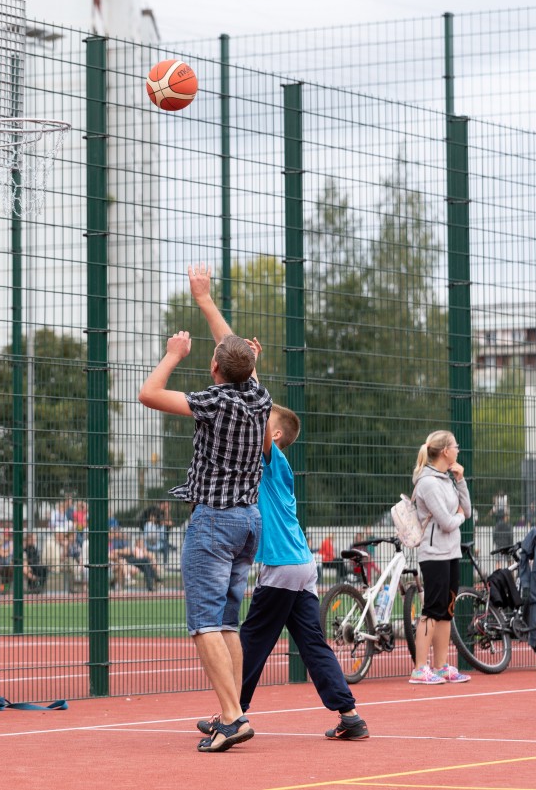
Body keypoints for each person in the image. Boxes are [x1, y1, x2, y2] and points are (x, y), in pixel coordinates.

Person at [138, 264, 270, 753]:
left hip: (214, 520)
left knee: (204, 624)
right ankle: (232, 711)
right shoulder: (259, 396)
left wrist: (172, 354)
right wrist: (205, 299)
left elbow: (148, 393)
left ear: (215, 370)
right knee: (228, 621)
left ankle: (233, 717)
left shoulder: (213, 401)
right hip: (249, 521)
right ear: (249, 365)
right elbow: (235, 352)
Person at [207, 404, 368, 741]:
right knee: (312, 644)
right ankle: (350, 716)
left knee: (251, 641)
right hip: (300, 566)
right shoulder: (260, 468)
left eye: (264, 423)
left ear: (274, 435)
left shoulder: (274, 460)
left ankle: (232, 714)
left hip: (283, 566)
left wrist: (250, 371)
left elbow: (256, 407)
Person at [409, 430, 473, 686]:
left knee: (447, 611)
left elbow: (466, 510)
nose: (458, 450)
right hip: (433, 554)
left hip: (451, 553)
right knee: (432, 610)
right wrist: (459, 516)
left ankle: (441, 666)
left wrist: (461, 481)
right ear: (446, 451)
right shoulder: (427, 483)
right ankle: (419, 668)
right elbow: (448, 522)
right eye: (455, 446)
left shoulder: (447, 479)